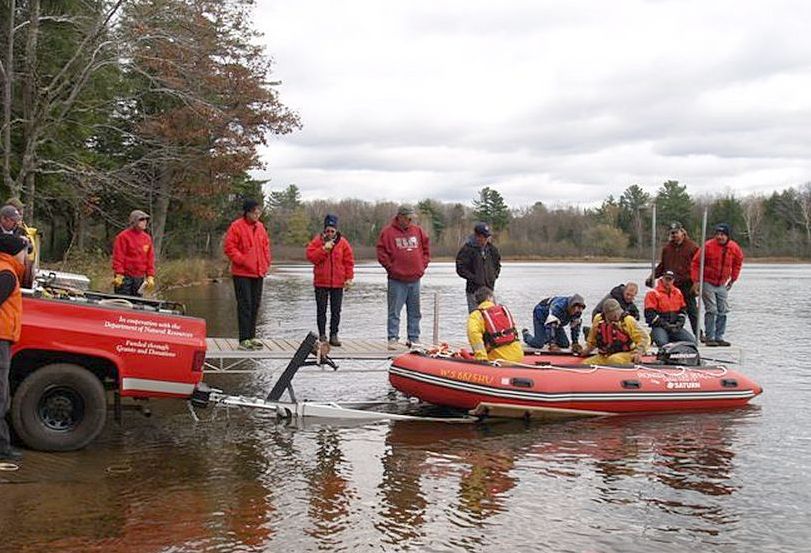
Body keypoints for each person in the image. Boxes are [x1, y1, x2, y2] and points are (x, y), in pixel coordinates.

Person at [376, 204, 431, 349]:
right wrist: (391, 268)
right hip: (396, 279)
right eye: (408, 218)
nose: (410, 220)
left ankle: (414, 337)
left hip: (415, 278)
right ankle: (393, 338)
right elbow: (381, 253)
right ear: (400, 217)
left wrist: (422, 266)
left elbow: (426, 249)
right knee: (394, 311)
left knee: (415, 311)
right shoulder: (388, 232)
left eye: (411, 218)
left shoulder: (418, 231)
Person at [224, 199, 271, 350]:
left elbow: (266, 247)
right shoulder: (236, 226)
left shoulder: (261, 227)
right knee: (245, 305)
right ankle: (244, 338)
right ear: (248, 212)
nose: (258, 215)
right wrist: (242, 260)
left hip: (258, 272)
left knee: (255, 305)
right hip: (242, 272)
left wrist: (266, 263)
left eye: (259, 212)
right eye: (255, 212)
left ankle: (252, 336)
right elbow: (229, 247)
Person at [690, 223, 744, 347]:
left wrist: (733, 279)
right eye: (718, 234)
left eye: (722, 234)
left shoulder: (734, 247)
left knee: (723, 310)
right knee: (711, 309)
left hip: (722, 284)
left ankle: (719, 337)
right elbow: (696, 263)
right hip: (707, 281)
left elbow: (738, 262)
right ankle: (710, 337)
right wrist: (696, 281)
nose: (719, 237)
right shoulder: (708, 246)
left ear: (728, 236)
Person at [306, 214, 355, 346]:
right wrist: (323, 250)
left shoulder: (343, 243)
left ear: (336, 231)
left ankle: (334, 335)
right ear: (324, 230)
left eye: (332, 231)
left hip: (338, 282)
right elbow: (311, 257)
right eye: (327, 231)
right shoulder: (317, 241)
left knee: (336, 311)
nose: (330, 233)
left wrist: (349, 278)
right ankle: (322, 335)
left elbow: (349, 262)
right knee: (321, 310)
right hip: (321, 282)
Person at [0, 234, 28, 461]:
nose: (25, 256)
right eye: (23, 251)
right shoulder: (7, 274)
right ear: (14, 253)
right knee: (0, 395)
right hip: (0, 338)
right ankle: (2, 449)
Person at [647, 221, 700, 335]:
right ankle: (669, 332)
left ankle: (698, 334)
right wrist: (652, 276)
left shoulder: (693, 247)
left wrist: (697, 283)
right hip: (671, 285)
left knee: (692, 311)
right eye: (672, 233)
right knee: (671, 311)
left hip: (687, 284)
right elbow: (663, 265)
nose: (674, 235)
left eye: (676, 232)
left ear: (682, 232)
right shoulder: (667, 249)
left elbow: (699, 266)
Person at [581, 298, 650, 366]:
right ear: (606, 314)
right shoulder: (598, 319)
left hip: (626, 354)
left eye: (618, 313)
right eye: (613, 315)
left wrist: (638, 352)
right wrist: (586, 350)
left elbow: (644, 338)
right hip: (605, 355)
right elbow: (592, 341)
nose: (617, 316)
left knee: (614, 359)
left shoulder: (628, 320)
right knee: (585, 363)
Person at [467, 287, 524, 363]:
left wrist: (481, 357)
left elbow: (474, 334)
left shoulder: (476, 315)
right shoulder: (503, 310)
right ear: (489, 297)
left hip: (498, 358)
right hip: (518, 355)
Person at [455, 222, 502, 313]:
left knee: (491, 315)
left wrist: (493, 276)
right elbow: (460, 268)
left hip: (489, 290)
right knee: (476, 315)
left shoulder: (492, 249)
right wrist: (474, 278)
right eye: (484, 236)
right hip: (474, 291)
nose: (486, 239)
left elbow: (497, 265)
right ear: (477, 236)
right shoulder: (467, 249)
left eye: (487, 236)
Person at [644, 270, 695, 347]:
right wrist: (665, 324)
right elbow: (649, 314)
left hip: (675, 326)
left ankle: (672, 339)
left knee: (691, 342)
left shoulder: (678, 292)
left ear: (673, 280)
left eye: (670, 279)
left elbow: (683, 310)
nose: (668, 282)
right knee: (662, 343)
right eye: (666, 279)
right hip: (660, 326)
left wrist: (680, 322)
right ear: (662, 279)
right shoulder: (653, 293)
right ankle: (655, 335)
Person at [112, 209, 156, 297]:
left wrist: (150, 276)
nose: (145, 222)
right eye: (141, 219)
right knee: (123, 301)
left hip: (139, 278)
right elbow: (118, 257)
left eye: (146, 219)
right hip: (125, 277)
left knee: (137, 302)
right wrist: (119, 274)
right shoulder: (123, 237)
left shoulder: (147, 238)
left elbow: (150, 259)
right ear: (134, 222)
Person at [521, 294, 586, 353]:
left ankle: (546, 338)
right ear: (571, 306)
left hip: (557, 321)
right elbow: (550, 326)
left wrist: (575, 343)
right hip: (541, 314)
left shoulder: (578, 312)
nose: (575, 313)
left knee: (564, 344)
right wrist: (552, 344)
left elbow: (575, 327)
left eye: (579, 310)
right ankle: (526, 334)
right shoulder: (558, 308)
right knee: (539, 344)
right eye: (574, 311)